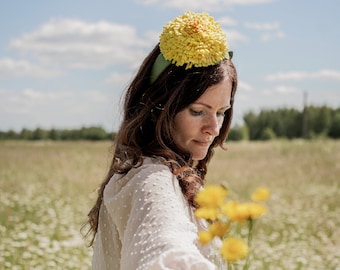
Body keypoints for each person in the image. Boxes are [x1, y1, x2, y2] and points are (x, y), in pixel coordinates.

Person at [84, 11, 238, 270]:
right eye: (198, 111)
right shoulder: (152, 180)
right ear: (161, 107)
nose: (213, 128)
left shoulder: (152, 171)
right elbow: (166, 257)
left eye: (221, 112)